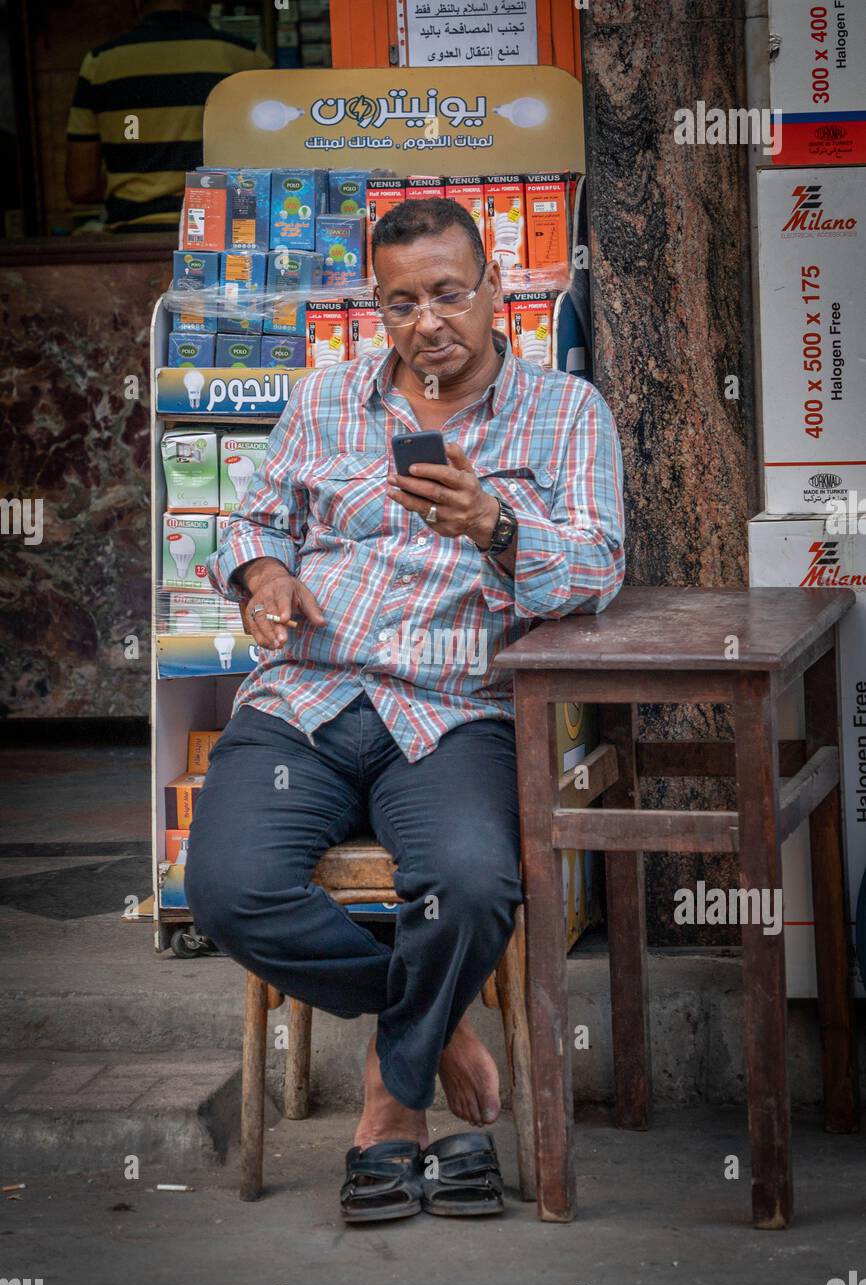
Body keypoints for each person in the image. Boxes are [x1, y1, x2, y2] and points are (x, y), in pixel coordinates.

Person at [185, 197, 625, 1220]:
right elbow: (251, 517)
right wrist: (262, 579)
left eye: (446, 293)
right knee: (227, 888)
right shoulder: (326, 398)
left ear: (493, 290)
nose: (427, 321)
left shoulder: (562, 413)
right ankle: (425, 1027)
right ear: (373, 308)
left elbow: (599, 565)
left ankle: (390, 1103)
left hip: (452, 709)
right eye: (399, 303)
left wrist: (498, 525)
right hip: (308, 693)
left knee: (471, 884)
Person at [65, 0, 270, 234]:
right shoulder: (248, 59)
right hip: (225, 237)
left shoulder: (100, 63)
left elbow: (81, 186)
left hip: (133, 235)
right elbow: (276, 162)